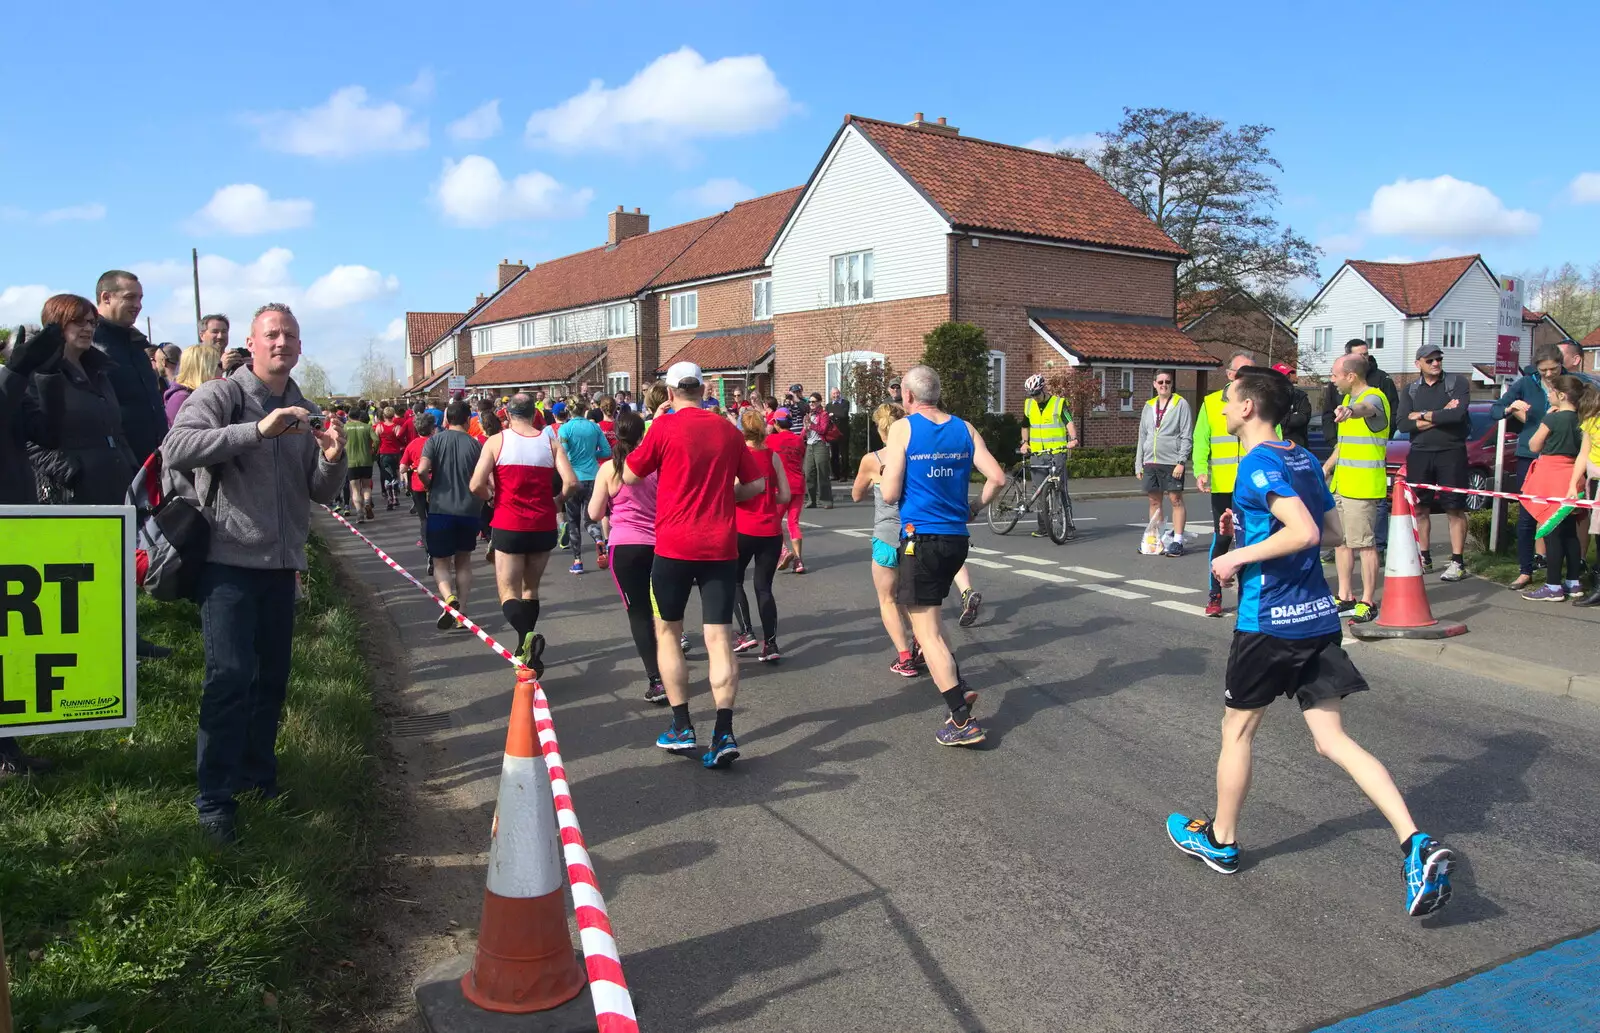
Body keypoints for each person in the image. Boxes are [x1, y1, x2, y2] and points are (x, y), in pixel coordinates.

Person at [1165, 365, 1454, 918]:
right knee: (1332, 740)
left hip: (1268, 622)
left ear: (1249, 407)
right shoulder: (1299, 457)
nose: (1223, 408)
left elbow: (1305, 533)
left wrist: (1236, 555)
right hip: (1318, 617)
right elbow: (1336, 532)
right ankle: (1414, 843)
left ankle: (1221, 841)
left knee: (1239, 730)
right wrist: (1250, 526)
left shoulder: (1257, 462)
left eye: (1228, 400)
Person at [162, 302, 348, 844]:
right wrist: (255, 431)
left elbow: (318, 492)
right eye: (271, 334)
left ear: (299, 346)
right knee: (228, 680)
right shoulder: (222, 395)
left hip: (282, 566)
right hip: (227, 563)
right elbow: (177, 449)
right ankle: (214, 800)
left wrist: (332, 458)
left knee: (270, 683)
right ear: (251, 340)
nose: (281, 343)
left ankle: (257, 780)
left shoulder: (306, 409)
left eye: (290, 335)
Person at [622, 361, 768, 770]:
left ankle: (682, 724)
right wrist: (724, 494)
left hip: (672, 546)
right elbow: (756, 485)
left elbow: (631, 475)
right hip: (720, 546)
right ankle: (723, 731)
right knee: (719, 638)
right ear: (704, 390)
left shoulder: (663, 428)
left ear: (669, 393)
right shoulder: (728, 429)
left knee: (668, 632)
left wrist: (654, 425)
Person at [879, 365, 1007, 747]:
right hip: (956, 540)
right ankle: (959, 683)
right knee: (932, 618)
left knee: (926, 632)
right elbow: (998, 478)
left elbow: (888, 494)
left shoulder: (904, 429)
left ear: (907, 396)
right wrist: (975, 508)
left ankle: (961, 719)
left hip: (921, 539)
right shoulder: (965, 429)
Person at [0, 322, 66, 779]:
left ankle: (8, 750)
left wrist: (45, 376)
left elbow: (48, 432)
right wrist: (16, 369)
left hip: (15, 516)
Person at [471, 393, 576, 676]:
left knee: (508, 592)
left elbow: (475, 484)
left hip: (509, 524)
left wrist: (490, 496)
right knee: (530, 589)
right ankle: (525, 649)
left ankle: (526, 638)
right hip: (543, 526)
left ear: (506, 413)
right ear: (534, 413)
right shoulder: (550, 441)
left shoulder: (497, 441)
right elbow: (571, 482)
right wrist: (557, 502)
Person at [26, 295, 138, 506]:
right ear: (56, 324)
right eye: (79, 321)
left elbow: (115, 429)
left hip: (115, 488)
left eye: (92, 322)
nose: (88, 328)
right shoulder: (36, 374)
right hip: (69, 496)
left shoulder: (100, 371)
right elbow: (30, 439)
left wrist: (130, 466)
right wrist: (71, 473)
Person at [589, 410, 666, 703]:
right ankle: (672, 667)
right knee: (663, 610)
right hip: (660, 544)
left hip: (625, 547)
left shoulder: (609, 469)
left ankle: (655, 680)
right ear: (642, 436)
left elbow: (594, 513)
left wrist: (613, 503)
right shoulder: (656, 467)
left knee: (638, 613)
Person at [1323, 354, 1390, 623]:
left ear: (1351, 376)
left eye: (1335, 374)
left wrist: (1352, 411)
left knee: (1365, 545)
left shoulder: (1374, 397)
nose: (1332, 380)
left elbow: (1368, 409)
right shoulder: (1346, 401)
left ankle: (1367, 601)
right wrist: (1326, 468)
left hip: (1362, 487)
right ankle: (1345, 596)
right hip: (1342, 484)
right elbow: (1342, 446)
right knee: (1341, 543)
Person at [1490, 345, 1564, 591]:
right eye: (1544, 370)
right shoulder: (1525, 384)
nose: (1550, 374)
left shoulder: (1570, 383)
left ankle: (1564, 573)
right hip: (1529, 457)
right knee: (1527, 517)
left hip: (1561, 457)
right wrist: (1511, 409)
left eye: (1554, 368)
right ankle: (1525, 571)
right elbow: (1496, 410)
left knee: (1561, 517)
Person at [1399, 344, 1471, 582]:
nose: (1436, 364)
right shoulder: (1410, 390)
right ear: (1418, 363)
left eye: (1438, 359)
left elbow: (1458, 416)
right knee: (1420, 508)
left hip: (1451, 452)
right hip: (1420, 452)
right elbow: (1403, 424)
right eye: (1429, 360)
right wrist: (1439, 414)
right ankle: (1424, 557)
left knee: (1454, 508)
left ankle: (1457, 562)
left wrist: (1420, 414)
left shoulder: (1456, 384)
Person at [1194, 352, 1253, 616]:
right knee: (1223, 539)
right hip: (1223, 484)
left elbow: (1273, 435)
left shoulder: (1258, 402)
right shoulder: (1210, 403)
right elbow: (1201, 439)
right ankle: (1215, 594)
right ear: (1229, 375)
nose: (1247, 378)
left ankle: (1250, 597)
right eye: (1242, 372)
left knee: (1251, 541)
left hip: (1253, 484)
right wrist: (1199, 470)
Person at [1520, 375, 1588, 601]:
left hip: (1551, 475)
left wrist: (1544, 420)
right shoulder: (1582, 419)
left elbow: (1534, 445)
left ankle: (1553, 585)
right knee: (1569, 531)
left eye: (1550, 392)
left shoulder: (1553, 419)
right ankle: (1573, 581)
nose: (1548, 396)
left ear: (1561, 395)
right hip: (1573, 475)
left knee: (1551, 530)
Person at [732, 408, 791, 662]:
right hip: (770, 529)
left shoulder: (738, 457)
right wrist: (768, 498)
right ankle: (772, 644)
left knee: (733, 580)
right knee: (763, 587)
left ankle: (746, 632)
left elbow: (734, 490)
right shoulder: (773, 456)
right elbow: (785, 496)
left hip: (743, 527)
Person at [91, 270, 167, 466]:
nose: (138, 305)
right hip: (116, 463)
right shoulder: (91, 345)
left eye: (140, 298)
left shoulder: (136, 343)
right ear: (106, 297)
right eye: (130, 297)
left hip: (153, 457)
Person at [418, 400, 483, 624]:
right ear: (467, 420)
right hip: (469, 509)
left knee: (440, 562)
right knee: (463, 561)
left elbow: (421, 470)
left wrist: (428, 485)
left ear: (447, 419)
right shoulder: (475, 445)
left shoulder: (434, 441)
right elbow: (485, 478)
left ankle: (449, 598)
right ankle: (462, 612)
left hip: (440, 508)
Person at [1135, 371, 1190, 556]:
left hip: (1172, 461)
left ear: (1172, 384)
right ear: (1154, 384)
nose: (1164, 385)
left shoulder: (1180, 404)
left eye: (1167, 382)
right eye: (1160, 382)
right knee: (1154, 501)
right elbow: (1142, 436)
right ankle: (1155, 539)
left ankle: (1178, 541)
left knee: (1175, 499)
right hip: (1151, 460)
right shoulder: (1148, 406)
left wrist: (1181, 461)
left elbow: (1186, 435)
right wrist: (1139, 463)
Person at [1020, 373, 1079, 541]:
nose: (1035, 398)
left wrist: (1073, 439)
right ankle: (1043, 527)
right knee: (1040, 492)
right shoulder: (1029, 405)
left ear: (1043, 390)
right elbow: (1025, 425)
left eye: (1036, 394)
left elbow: (1069, 422)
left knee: (1061, 489)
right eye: (1031, 395)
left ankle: (1069, 527)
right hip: (1037, 454)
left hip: (1056, 453)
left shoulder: (1058, 404)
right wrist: (1024, 442)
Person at [555, 402, 612, 575]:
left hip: (574, 478)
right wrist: (591, 454)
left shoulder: (564, 429)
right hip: (593, 477)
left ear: (568, 411)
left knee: (573, 521)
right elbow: (607, 451)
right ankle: (598, 539)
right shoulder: (594, 427)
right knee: (589, 520)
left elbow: (562, 452)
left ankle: (578, 561)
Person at [766, 408, 808, 573]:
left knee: (775, 520)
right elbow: (801, 459)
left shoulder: (771, 440)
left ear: (776, 423)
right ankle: (799, 560)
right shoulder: (798, 440)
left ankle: (784, 551)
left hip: (781, 486)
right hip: (798, 484)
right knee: (793, 522)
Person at [1569, 386, 1600, 607]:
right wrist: (1573, 483)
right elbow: (1583, 453)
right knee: (1599, 537)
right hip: (1596, 480)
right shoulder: (1590, 422)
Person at [164, 344, 222, 426]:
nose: (222, 370)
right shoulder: (181, 399)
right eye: (219, 365)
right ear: (203, 368)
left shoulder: (199, 394)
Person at [399, 413, 434, 549]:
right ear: (431, 428)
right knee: (435, 515)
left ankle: (426, 543)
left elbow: (402, 468)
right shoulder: (436, 442)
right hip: (435, 483)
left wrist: (410, 466)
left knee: (423, 517)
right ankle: (436, 541)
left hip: (417, 485)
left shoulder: (412, 445)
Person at [342, 408, 377, 522]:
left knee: (355, 489)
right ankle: (367, 502)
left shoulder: (345, 428)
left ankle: (359, 514)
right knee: (366, 486)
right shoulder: (367, 427)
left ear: (349, 416)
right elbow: (376, 440)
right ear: (360, 416)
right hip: (366, 460)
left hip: (351, 462)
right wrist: (373, 451)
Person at [801, 392, 834, 508]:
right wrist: (805, 428)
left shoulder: (823, 414)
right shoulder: (809, 414)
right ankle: (811, 500)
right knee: (809, 473)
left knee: (822, 473)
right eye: (809, 402)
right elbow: (804, 433)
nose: (811, 404)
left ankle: (826, 500)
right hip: (810, 446)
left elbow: (823, 429)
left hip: (820, 445)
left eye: (813, 401)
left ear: (819, 402)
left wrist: (811, 425)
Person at [374, 405, 408, 511]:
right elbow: (401, 439)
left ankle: (389, 499)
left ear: (384, 415)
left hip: (383, 454)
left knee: (386, 476)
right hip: (395, 453)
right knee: (395, 474)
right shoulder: (396, 427)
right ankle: (395, 498)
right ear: (393, 415)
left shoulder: (379, 426)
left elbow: (376, 440)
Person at [1275, 364, 1312, 450]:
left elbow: (1303, 418)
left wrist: (1279, 418)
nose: (1287, 379)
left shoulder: (1299, 396)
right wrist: (1290, 416)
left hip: (1296, 448)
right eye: (1283, 376)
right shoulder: (1266, 397)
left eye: (1288, 376)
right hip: (1274, 447)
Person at [827, 387, 851, 480]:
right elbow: (828, 418)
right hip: (833, 433)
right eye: (834, 394)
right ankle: (835, 474)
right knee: (834, 454)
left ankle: (844, 475)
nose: (836, 395)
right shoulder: (828, 406)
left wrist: (833, 414)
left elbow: (844, 414)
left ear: (839, 393)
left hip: (843, 432)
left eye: (837, 393)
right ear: (831, 395)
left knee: (844, 454)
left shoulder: (845, 403)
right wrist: (835, 415)